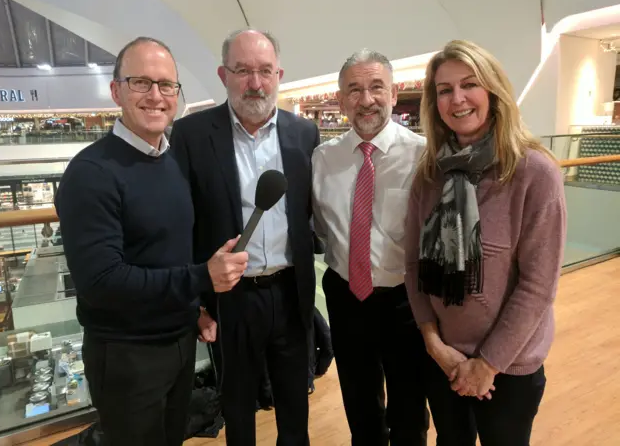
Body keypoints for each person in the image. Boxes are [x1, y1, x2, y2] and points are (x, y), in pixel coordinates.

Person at [54, 37, 248, 446]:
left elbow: (165, 251)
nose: (156, 96)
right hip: (127, 355)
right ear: (116, 91)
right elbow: (102, 281)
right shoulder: (91, 173)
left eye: (167, 85)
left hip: (178, 342)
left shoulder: (172, 161)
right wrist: (200, 279)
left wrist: (192, 308)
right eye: (141, 82)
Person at [404, 39, 566, 446]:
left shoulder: (534, 172)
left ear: (493, 91)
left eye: (469, 84)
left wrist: (486, 365)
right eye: (444, 90)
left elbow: (537, 287)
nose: (457, 99)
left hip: (508, 368)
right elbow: (414, 265)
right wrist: (434, 343)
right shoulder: (429, 174)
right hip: (443, 358)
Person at [170, 28, 320, 446]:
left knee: (295, 403)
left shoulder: (304, 134)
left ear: (279, 74)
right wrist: (195, 301)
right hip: (230, 298)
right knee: (238, 407)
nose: (255, 83)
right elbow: (183, 225)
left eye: (265, 71)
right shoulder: (192, 135)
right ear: (223, 74)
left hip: (290, 292)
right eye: (243, 71)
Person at [311, 48, 429, 446]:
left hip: (405, 301)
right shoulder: (322, 159)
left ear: (394, 94)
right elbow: (320, 227)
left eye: (377, 87)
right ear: (341, 100)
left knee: (409, 408)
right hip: (346, 297)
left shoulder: (423, 156)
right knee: (360, 406)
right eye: (354, 90)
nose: (366, 100)